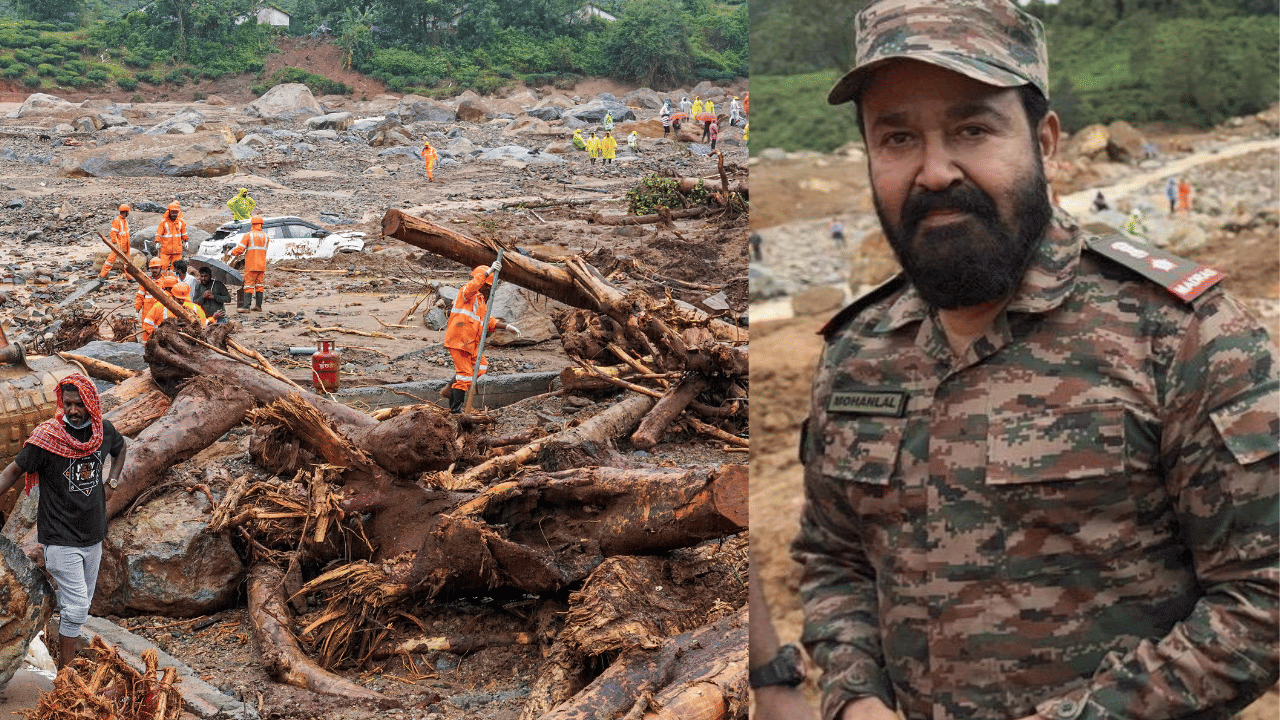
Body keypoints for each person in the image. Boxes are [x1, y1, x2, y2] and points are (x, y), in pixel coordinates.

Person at [793, 4, 1279, 720]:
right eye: (897, 137)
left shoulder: (1182, 337)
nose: (934, 172)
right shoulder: (856, 352)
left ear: (1046, 142)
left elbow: (1263, 595)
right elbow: (832, 559)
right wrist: (854, 696)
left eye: (972, 129)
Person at [0, 374, 125, 670]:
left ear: (91, 404)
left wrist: (113, 481)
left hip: (93, 535)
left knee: (78, 609)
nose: (72, 410)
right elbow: (12, 473)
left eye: (78, 404)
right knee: (78, 606)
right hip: (59, 538)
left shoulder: (103, 432)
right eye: (67, 403)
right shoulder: (48, 439)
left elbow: (120, 450)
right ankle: (66, 677)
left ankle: (65, 660)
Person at [443, 262, 520, 413]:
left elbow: (488, 321)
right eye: (488, 287)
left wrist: (507, 327)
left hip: (471, 344)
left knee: (481, 366)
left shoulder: (481, 302)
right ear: (483, 285)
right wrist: (487, 273)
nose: (490, 291)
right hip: (459, 342)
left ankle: (451, 388)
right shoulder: (465, 294)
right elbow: (472, 286)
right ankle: (456, 409)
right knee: (465, 375)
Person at [229, 216, 269, 312]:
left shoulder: (249, 235)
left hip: (251, 264)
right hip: (262, 265)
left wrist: (232, 252)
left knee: (248, 285)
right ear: (261, 225)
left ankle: (246, 307)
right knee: (259, 285)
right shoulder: (266, 236)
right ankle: (258, 306)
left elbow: (240, 250)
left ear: (252, 224)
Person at [99, 204, 131, 279]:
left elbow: (126, 233)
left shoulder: (125, 220)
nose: (129, 213)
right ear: (125, 212)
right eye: (128, 212)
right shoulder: (117, 221)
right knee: (110, 260)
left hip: (126, 244)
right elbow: (113, 233)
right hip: (119, 245)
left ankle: (129, 277)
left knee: (128, 262)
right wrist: (115, 244)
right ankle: (102, 276)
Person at [155, 201, 187, 273]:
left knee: (176, 268)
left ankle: (174, 281)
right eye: (172, 212)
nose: (174, 214)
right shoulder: (164, 222)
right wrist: (157, 242)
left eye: (175, 213)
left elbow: (184, 232)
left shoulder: (180, 222)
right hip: (166, 250)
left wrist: (186, 241)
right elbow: (159, 233)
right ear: (169, 212)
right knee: (163, 266)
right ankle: (162, 282)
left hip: (177, 250)